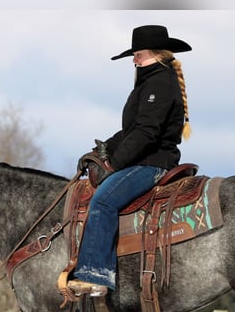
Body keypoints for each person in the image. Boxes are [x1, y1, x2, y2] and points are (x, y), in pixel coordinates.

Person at [67, 24, 193, 298]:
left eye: (139, 54)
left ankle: (95, 275)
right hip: (145, 158)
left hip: (153, 163)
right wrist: (103, 149)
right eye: (134, 55)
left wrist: (114, 164)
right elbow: (131, 131)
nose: (135, 60)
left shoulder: (159, 83)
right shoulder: (152, 81)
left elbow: (147, 134)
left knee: (103, 200)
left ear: (157, 54)